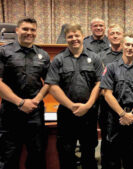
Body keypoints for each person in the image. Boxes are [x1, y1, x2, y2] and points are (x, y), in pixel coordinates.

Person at [45, 24, 102, 169]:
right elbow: (52, 85)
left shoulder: (94, 58)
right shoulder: (58, 59)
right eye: (70, 36)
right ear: (65, 38)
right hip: (66, 113)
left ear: (83, 36)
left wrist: (88, 105)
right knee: (66, 152)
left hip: (89, 113)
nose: (74, 39)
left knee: (89, 151)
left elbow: (100, 83)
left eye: (77, 35)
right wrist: (71, 106)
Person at [0, 17, 50, 169]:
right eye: (25, 29)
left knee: (37, 155)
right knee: (9, 157)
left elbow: (49, 83)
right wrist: (20, 102)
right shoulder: (4, 51)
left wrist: (36, 100)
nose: (29, 33)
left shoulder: (43, 55)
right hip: (10, 112)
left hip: (35, 113)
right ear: (17, 30)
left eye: (32, 30)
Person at [100, 33, 133, 169]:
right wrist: (123, 114)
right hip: (115, 118)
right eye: (127, 44)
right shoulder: (111, 67)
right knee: (113, 157)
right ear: (122, 45)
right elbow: (107, 93)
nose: (130, 47)